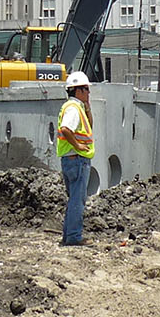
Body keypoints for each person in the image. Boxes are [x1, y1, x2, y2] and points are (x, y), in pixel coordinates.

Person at [56, 71, 95, 246]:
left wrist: (88, 107)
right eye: (86, 89)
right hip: (76, 159)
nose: (88, 93)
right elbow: (66, 129)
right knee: (77, 201)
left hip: (72, 160)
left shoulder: (78, 107)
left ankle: (68, 236)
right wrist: (78, 146)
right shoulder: (73, 108)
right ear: (78, 90)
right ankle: (73, 237)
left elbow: (89, 126)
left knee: (74, 200)